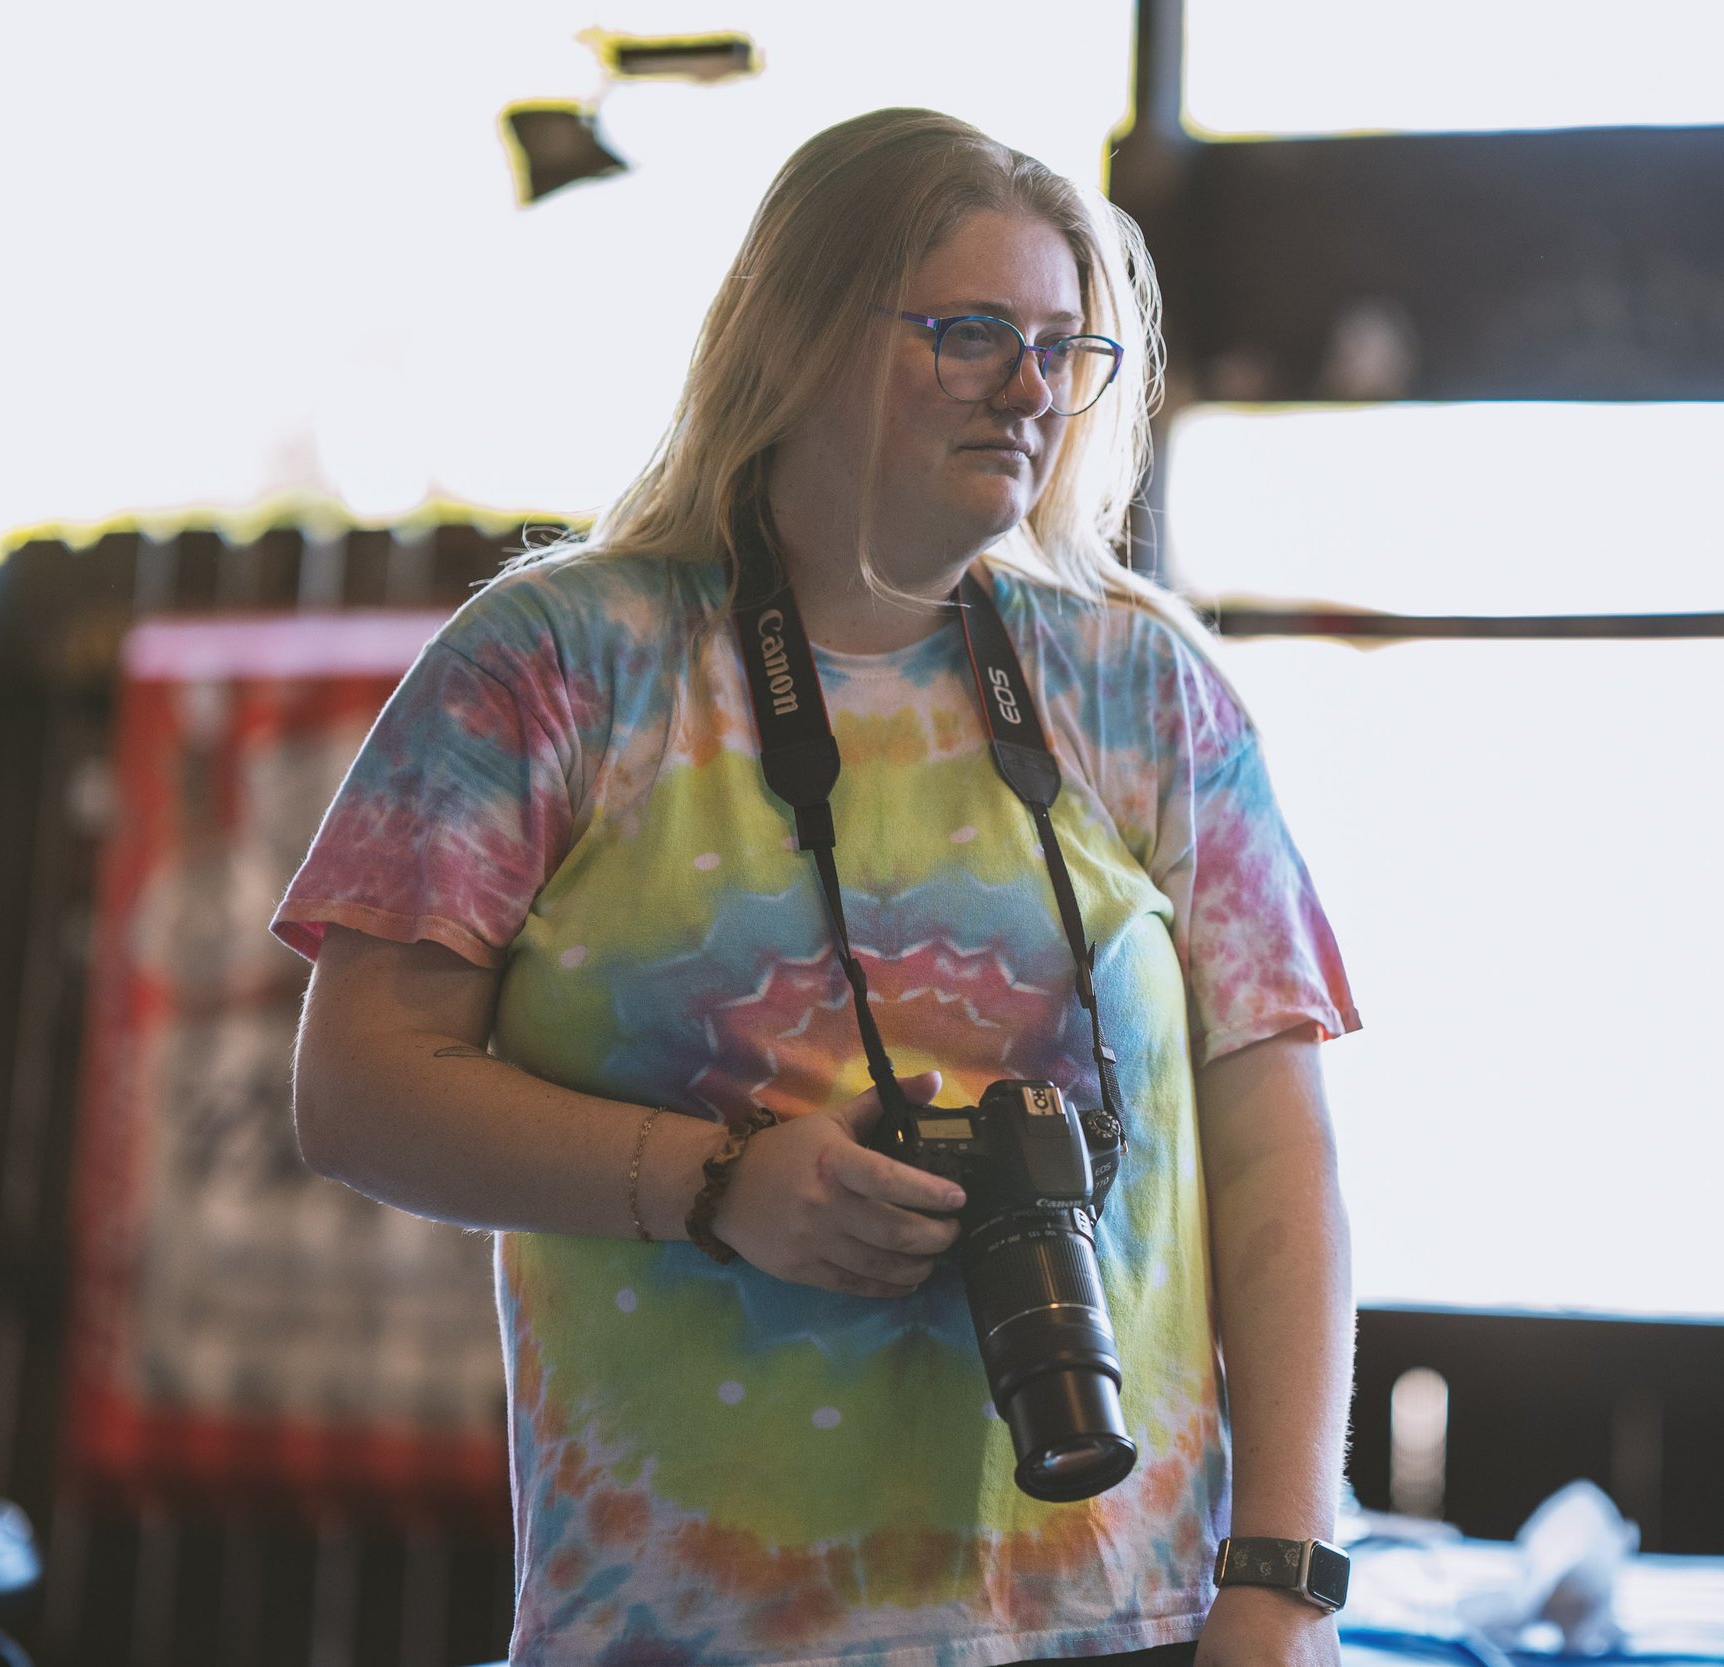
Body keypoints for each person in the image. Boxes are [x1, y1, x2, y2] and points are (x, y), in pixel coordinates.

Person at [278, 108, 1359, 1667]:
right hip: (687, 1621)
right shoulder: (556, 664)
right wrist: (717, 1185)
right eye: (971, 333)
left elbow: (1276, 1150)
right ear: (799, 336)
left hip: (1121, 1616)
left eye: (1064, 347)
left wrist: (1287, 1577)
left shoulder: (1143, 688)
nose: (1030, 387)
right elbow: (357, 1089)